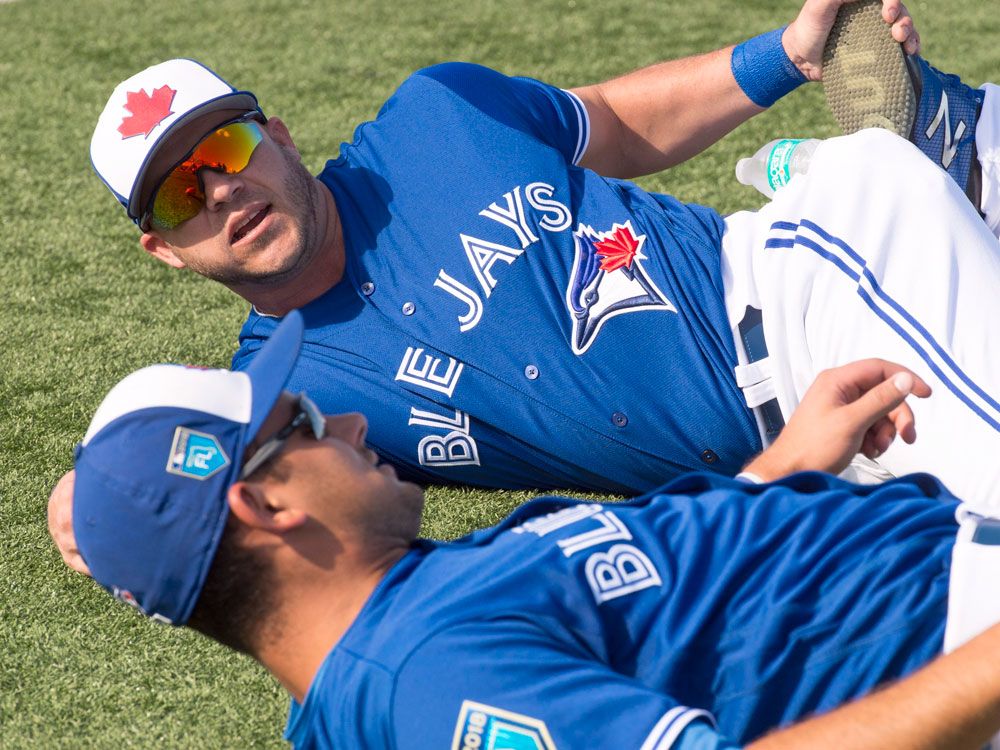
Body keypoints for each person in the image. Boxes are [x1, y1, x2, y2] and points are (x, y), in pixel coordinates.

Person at [86, 0, 1000, 505]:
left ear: (279, 136)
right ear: (164, 249)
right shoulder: (287, 397)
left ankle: (935, 148)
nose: (222, 190)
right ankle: (948, 159)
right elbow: (163, 484)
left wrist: (785, 56)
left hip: (799, 287)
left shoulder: (432, 122)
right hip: (807, 454)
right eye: (181, 191)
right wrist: (79, 503)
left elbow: (614, 121)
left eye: (230, 150)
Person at [54, 310, 1000, 749]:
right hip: (955, 633)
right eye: (302, 425)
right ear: (264, 506)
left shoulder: (395, 615)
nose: (348, 426)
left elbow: (638, 607)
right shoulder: (426, 679)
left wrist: (779, 469)